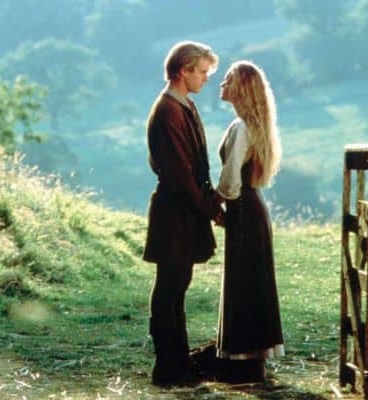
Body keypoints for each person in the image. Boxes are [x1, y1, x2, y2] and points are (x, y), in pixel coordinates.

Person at [143, 41, 223, 387]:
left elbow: (195, 169)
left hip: (184, 212)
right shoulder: (168, 111)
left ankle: (179, 361)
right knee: (170, 288)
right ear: (183, 70)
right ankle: (167, 367)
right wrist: (211, 209)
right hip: (174, 213)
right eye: (202, 71)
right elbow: (179, 174)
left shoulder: (184, 105)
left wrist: (210, 204)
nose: (206, 78)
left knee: (178, 287)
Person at [214, 60, 285, 382]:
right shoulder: (252, 126)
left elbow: (230, 181)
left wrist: (212, 205)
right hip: (253, 208)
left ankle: (243, 359)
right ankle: (251, 358)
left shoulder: (241, 128)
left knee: (244, 281)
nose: (221, 84)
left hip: (243, 209)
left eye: (228, 79)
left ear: (241, 88)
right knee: (253, 280)